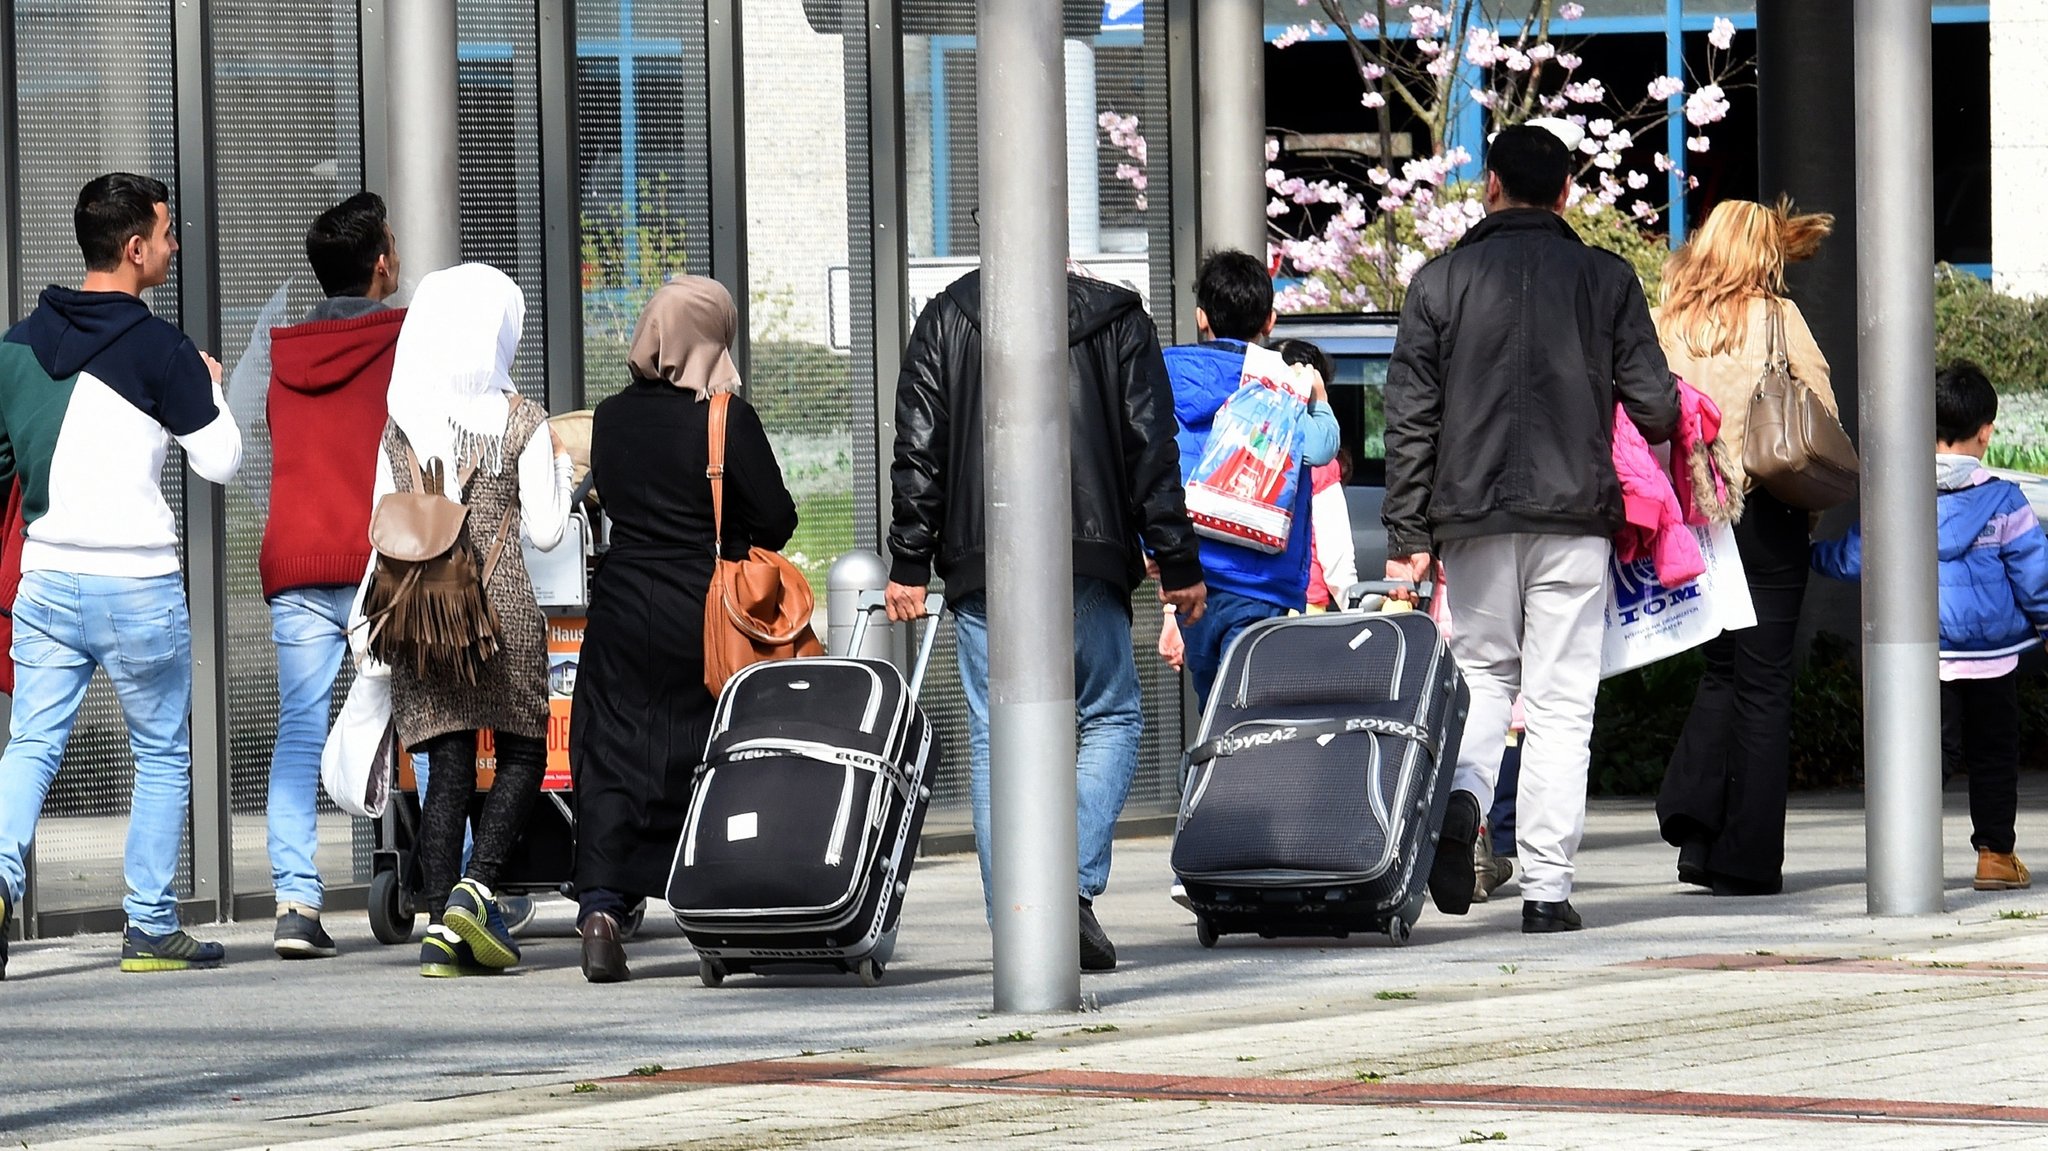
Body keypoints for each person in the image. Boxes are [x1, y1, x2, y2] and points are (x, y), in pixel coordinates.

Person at [1382, 124, 1679, 934]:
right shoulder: (1606, 278)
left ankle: (1464, 801)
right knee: (1560, 702)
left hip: (1470, 518)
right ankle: (1547, 890)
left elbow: (1409, 416)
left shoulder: (1438, 282)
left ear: (1489, 185)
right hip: (1573, 514)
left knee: (1480, 676)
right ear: (1567, 190)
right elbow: (1655, 404)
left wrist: (1407, 531)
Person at [885, 266, 1206, 972]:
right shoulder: (1117, 318)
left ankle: (1020, 921)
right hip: (1085, 552)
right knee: (1111, 716)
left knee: (994, 735)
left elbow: (919, 443)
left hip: (980, 559)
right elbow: (1150, 444)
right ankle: (1069, 887)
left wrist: (909, 559)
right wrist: (1177, 560)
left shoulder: (946, 315)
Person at [0, 173, 242, 976]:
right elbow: (223, 460)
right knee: (162, 752)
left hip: (46, 583)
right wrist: (209, 385)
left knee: (32, 742)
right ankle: (148, 926)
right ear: (135, 249)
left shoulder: (15, 347)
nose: (174, 246)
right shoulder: (162, 349)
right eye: (168, 234)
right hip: (136, 587)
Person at [569, 277, 798, 983]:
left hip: (620, 608)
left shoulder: (609, 416)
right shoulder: (725, 420)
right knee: (704, 758)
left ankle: (604, 911)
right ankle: (709, 903)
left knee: (611, 754)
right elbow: (779, 519)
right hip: (702, 615)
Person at [358, 263, 573, 978]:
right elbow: (545, 532)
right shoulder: (523, 419)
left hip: (421, 613)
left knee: (446, 762)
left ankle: (440, 920)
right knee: (521, 753)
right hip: (502, 610)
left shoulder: (398, 422)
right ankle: (477, 889)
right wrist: (564, 478)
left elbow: (380, 526)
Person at [1653, 198, 1838, 897]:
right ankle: (1748, 856)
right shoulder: (1778, 318)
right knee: (1764, 686)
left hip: (1693, 512)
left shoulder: (1670, 319)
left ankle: (1694, 823)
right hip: (1764, 511)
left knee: (1721, 668)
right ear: (1761, 250)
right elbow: (1818, 408)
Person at [1813, 362, 2044, 892]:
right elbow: (2035, 577)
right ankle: (1995, 856)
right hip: (1993, 657)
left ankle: (1906, 858)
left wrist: (1806, 556)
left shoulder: (1898, 496)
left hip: (1925, 656)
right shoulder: (2005, 501)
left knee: (1927, 752)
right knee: (1994, 755)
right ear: (1985, 432)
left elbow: (1854, 560)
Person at [259, 192, 404, 960]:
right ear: (381, 260)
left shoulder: (285, 352)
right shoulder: (403, 339)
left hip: (297, 557)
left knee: (299, 728)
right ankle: (461, 883)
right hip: (382, 558)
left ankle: (295, 903)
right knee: (431, 715)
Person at [1162, 254, 1340, 704]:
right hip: (1263, 578)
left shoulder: (1167, 375)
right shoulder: (1282, 380)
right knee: (1249, 713)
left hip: (1195, 576)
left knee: (1210, 708)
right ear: (1270, 319)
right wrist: (1317, 395)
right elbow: (1320, 447)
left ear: (1201, 317)